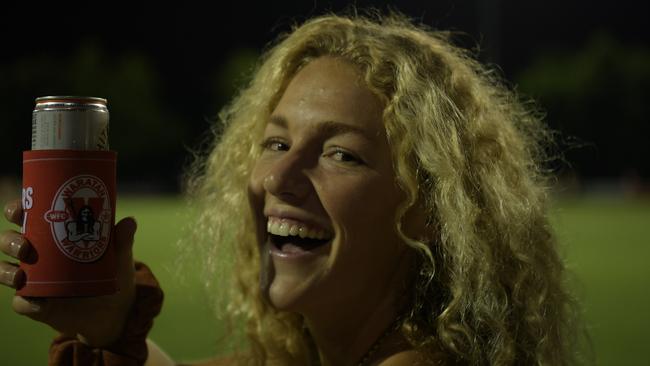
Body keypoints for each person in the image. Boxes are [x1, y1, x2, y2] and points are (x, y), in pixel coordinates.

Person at [0, 10, 584, 366]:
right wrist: (109, 326)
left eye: (341, 154)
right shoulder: (321, 352)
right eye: (276, 144)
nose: (278, 178)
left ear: (430, 208)